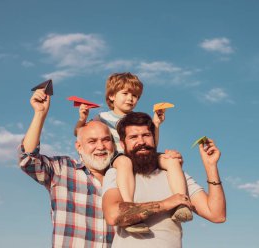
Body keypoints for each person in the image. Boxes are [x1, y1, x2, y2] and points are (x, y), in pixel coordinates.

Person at [74, 72, 193, 233]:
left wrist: (156, 124)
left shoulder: (137, 119)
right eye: (125, 93)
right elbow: (80, 133)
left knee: (171, 160)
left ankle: (181, 203)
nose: (131, 98)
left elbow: (152, 144)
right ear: (111, 96)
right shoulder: (102, 117)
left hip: (141, 155)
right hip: (119, 157)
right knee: (125, 162)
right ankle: (129, 209)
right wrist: (82, 119)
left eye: (135, 96)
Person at [102, 112, 226, 248]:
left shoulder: (175, 175)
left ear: (154, 138)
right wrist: (166, 204)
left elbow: (217, 215)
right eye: (133, 137)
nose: (141, 142)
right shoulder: (116, 174)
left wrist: (210, 166)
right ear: (123, 144)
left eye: (146, 135)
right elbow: (113, 215)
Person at [18, 87, 115, 247]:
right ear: (79, 146)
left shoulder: (122, 178)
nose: (100, 146)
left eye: (106, 140)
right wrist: (40, 114)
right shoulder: (62, 169)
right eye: (92, 141)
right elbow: (28, 160)